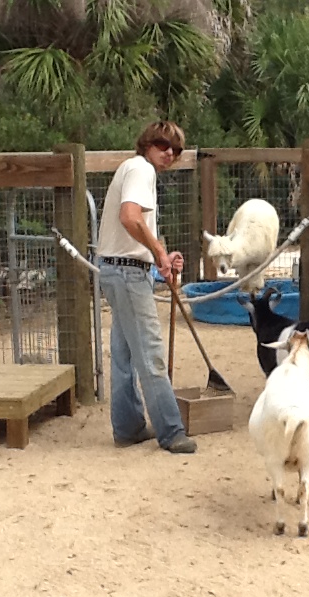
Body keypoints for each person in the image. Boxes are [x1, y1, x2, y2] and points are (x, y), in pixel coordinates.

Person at [95, 120, 197, 454]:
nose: (170, 153)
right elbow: (130, 216)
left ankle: (128, 427)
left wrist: (160, 256)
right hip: (126, 274)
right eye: (163, 145)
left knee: (124, 354)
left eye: (176, 149)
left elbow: (134, 226)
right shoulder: (141, 169)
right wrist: (158, 253)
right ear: (147, 144)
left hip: (118, 269)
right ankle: (171, 431)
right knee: (151, 353)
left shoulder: (133, 168)